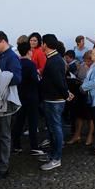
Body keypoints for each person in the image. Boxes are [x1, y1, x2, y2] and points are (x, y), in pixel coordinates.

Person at [0, 31, 21, 180]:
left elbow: (17, 79)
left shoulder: (11, 57)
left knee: (3, 135)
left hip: (5, 102)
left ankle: (2, 167)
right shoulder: (1, 56)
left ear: (3, 41)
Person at [39, 34, 71, 172]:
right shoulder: (54, 59)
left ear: (45, 44)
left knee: (55, 128)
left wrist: (66, 94)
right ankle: (52, 154)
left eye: (41, 43)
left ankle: (56, 158)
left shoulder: (54, 60)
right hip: (52, 98)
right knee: (52, 128)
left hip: (54, 100)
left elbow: (59, 81)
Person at [11, 41, 42, 155]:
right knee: (33, 122)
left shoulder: (18, 63)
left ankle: (16, 145)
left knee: (19, 121)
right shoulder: (31, 64)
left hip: (20, 95)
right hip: (32, 96)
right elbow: (35, 80)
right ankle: (34, 146)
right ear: (29, 51)